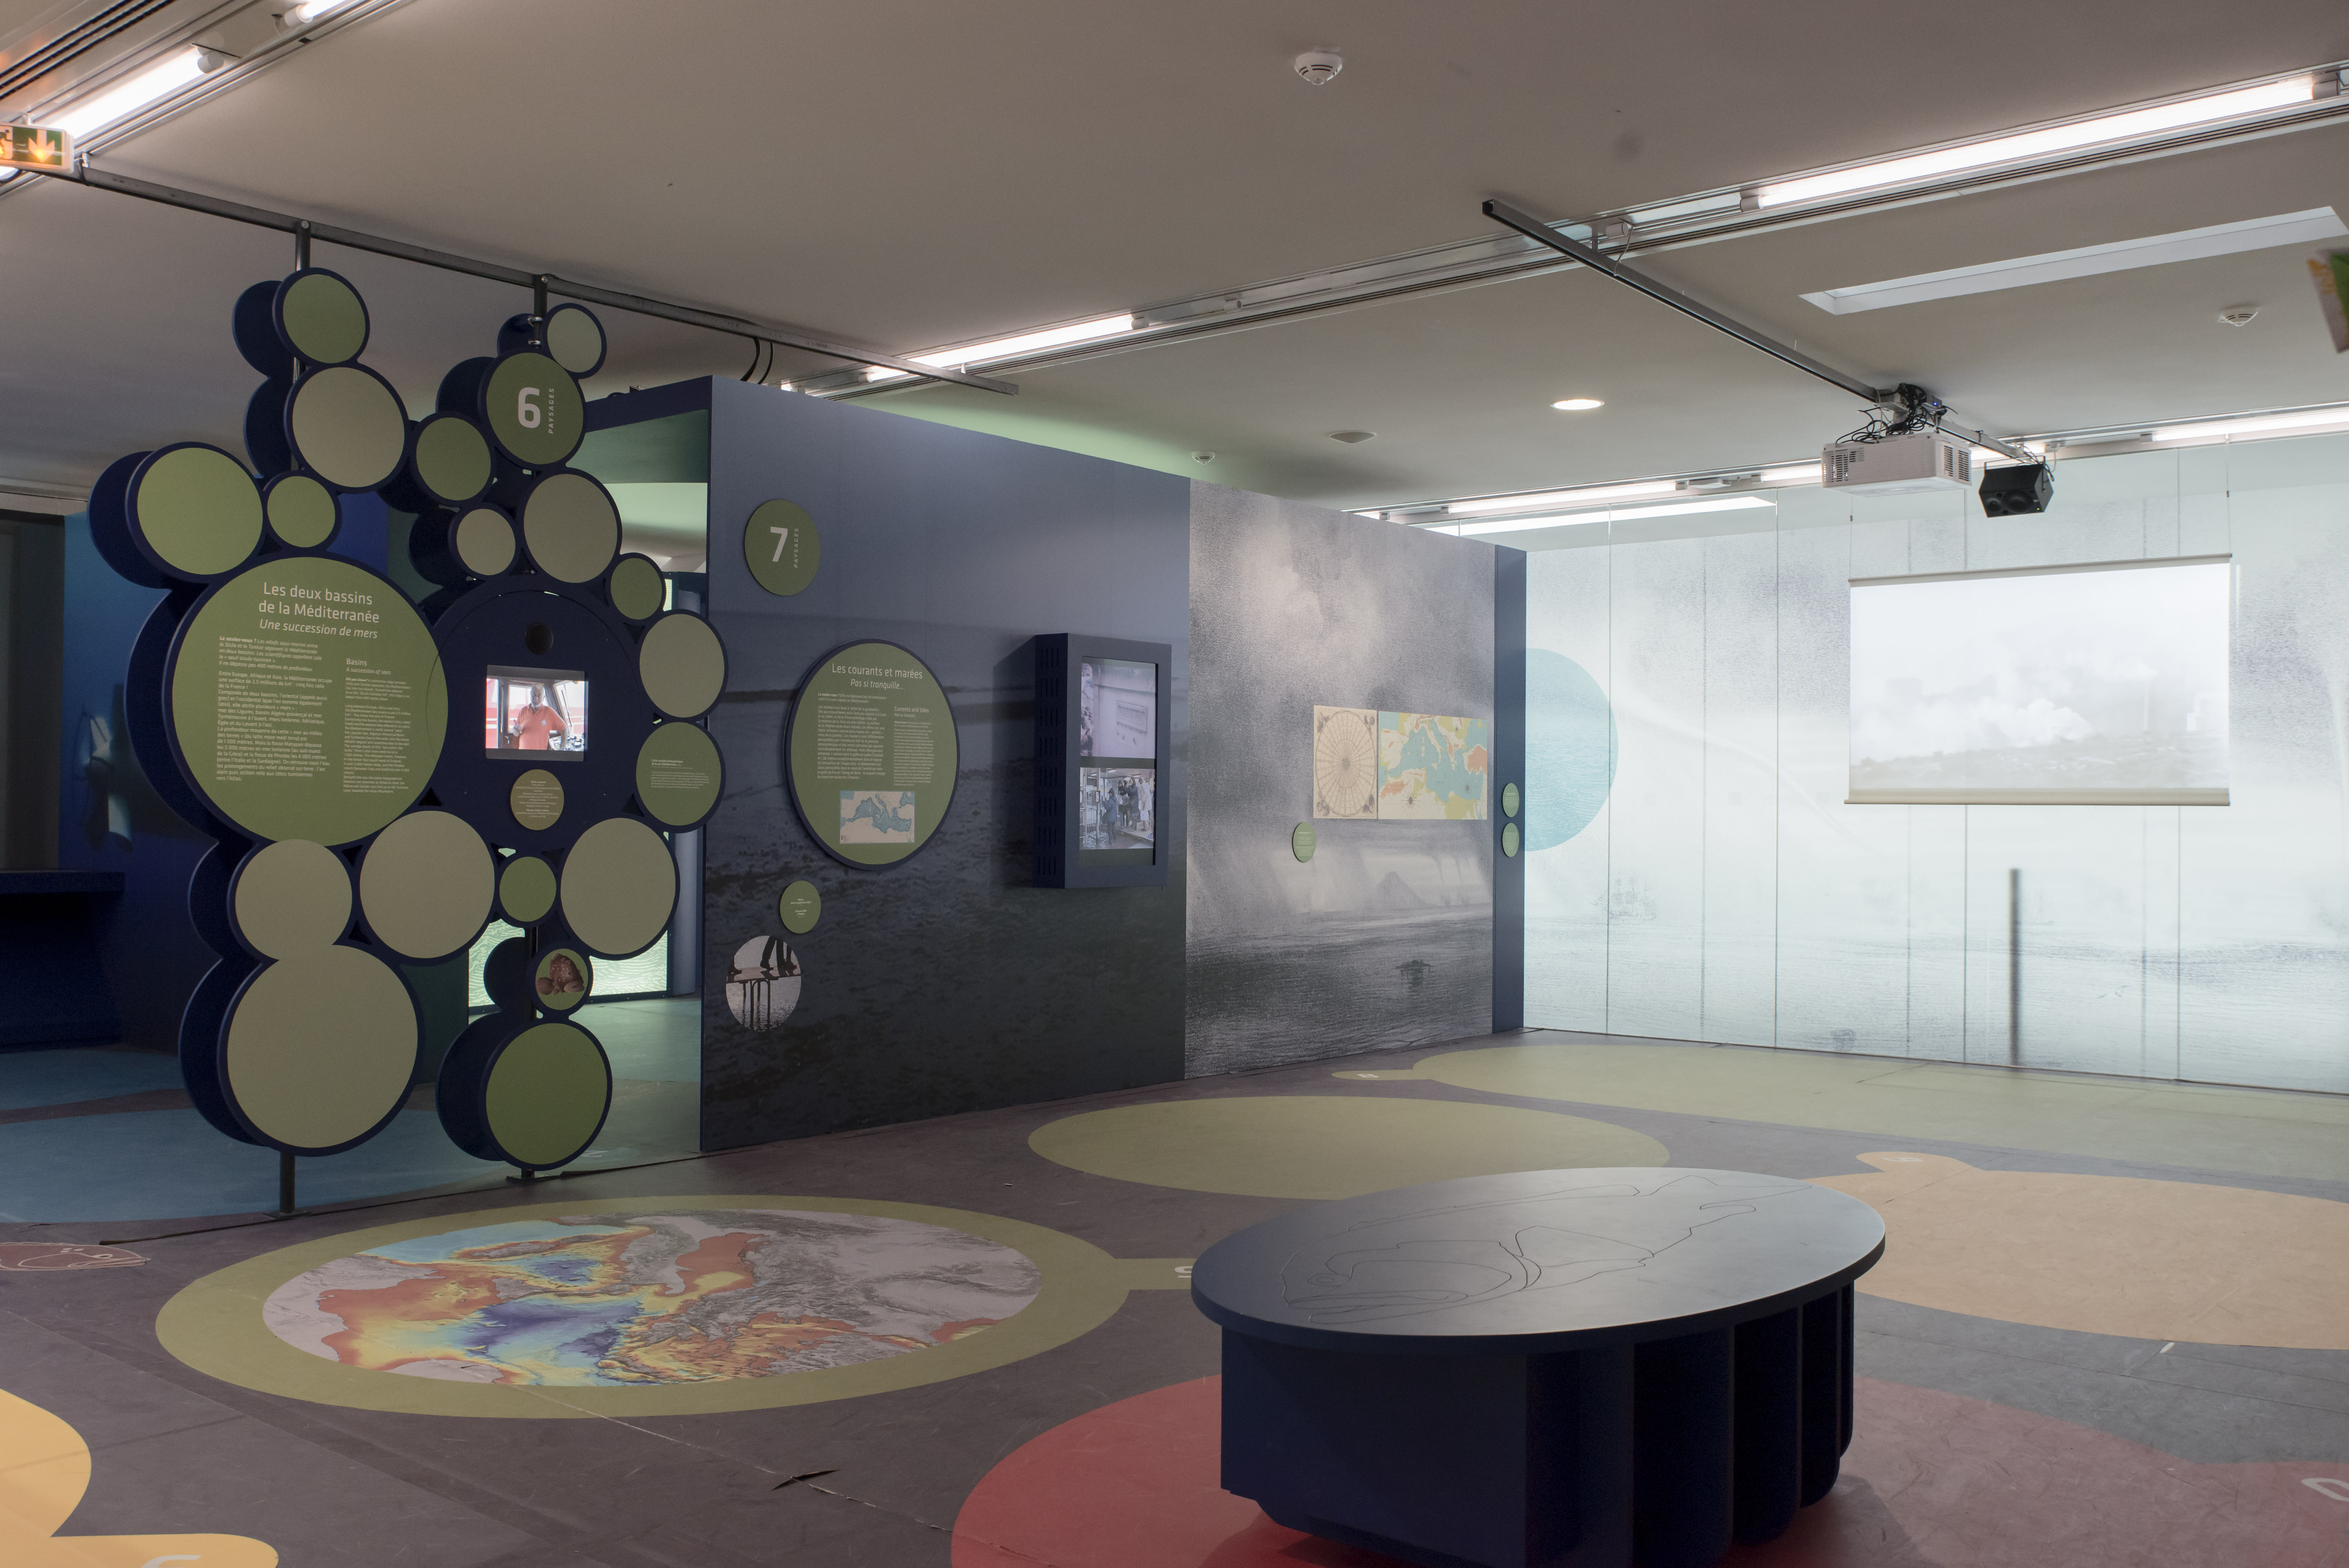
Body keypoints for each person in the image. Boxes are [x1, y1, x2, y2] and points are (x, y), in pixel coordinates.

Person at [510, 683, 567, 751]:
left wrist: (562, 748)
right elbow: (516, 734)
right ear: (530, 694)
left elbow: (564, 729)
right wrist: (516, 731)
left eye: (539, 696)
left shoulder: (549, 712)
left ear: (544, 698)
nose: (536, 698)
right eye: (534, 695)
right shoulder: (523, 711)